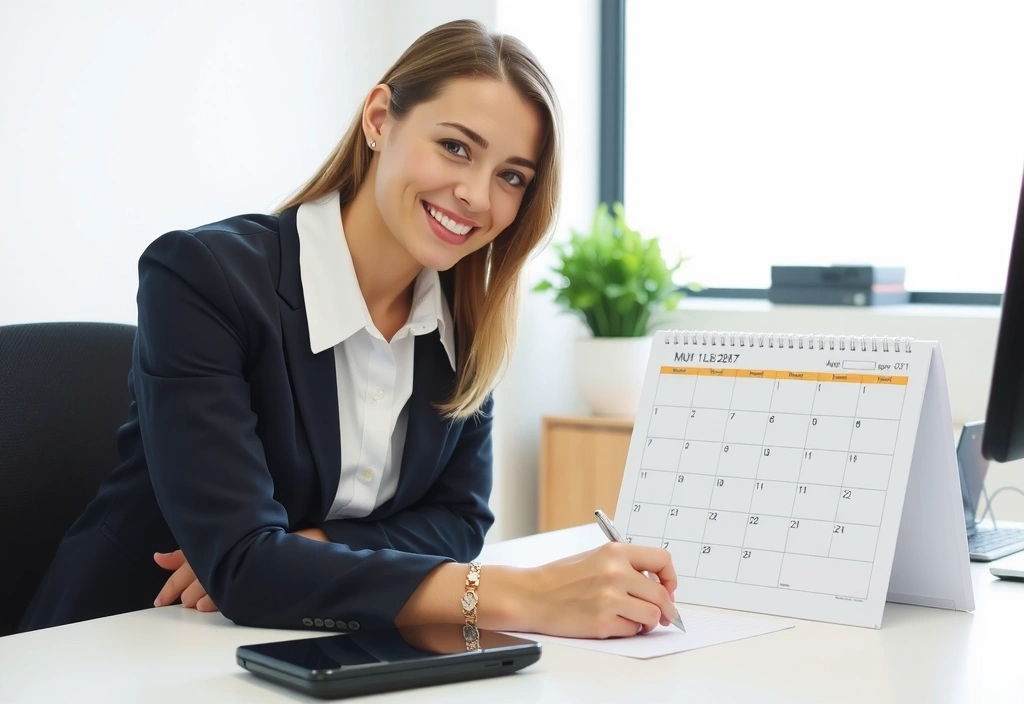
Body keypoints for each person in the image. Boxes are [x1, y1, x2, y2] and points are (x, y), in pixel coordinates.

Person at [19, 19, 680, 640]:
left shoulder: (464, 327)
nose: (478, 196)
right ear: (379, 119)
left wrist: (310, 550)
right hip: (116, 644)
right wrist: (521, 594)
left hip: (299, 647)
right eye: (455, 147)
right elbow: (247, 571)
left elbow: (458, 522)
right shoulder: (203, 279)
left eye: (511, 177)